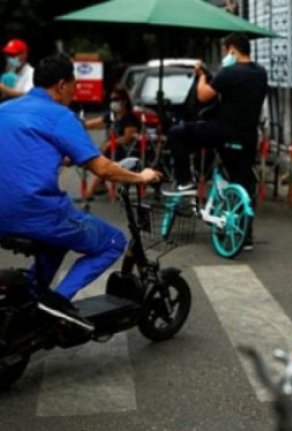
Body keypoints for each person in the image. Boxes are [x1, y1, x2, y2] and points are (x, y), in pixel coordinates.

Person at [0, 54, 161, 332]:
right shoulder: (61, 116)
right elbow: (104, 169)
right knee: (112, 241)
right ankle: (57, 303)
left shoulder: (5, 109)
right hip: (38, 214)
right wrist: (140, 176)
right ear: (62, 85)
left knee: (57, 240)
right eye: (74, 83)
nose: (75, 90)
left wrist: (57, 158)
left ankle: (30, 301)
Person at [163, 32, 268, 251]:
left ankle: (184, 181)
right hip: (248, 136)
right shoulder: (260, 73)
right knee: (243, 181)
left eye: (225, 52)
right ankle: (245, 236)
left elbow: (203, 96)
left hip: (221, 131)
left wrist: (202, 75)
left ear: (232, 49)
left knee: (176, 133)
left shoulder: (228, 72)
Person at [78, 87, 141, 203]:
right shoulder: (112, 116)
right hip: (111, 150)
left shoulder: (129, 118)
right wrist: (79, 124)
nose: (113, 102)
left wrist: (110, 144)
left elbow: (128, 138)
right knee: (95, 156)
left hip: (126, 151)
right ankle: (100, 185)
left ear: (124, 101)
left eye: (116, 99)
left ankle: (89, 192)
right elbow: (93, 124)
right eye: (111, 100)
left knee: (103, 160)